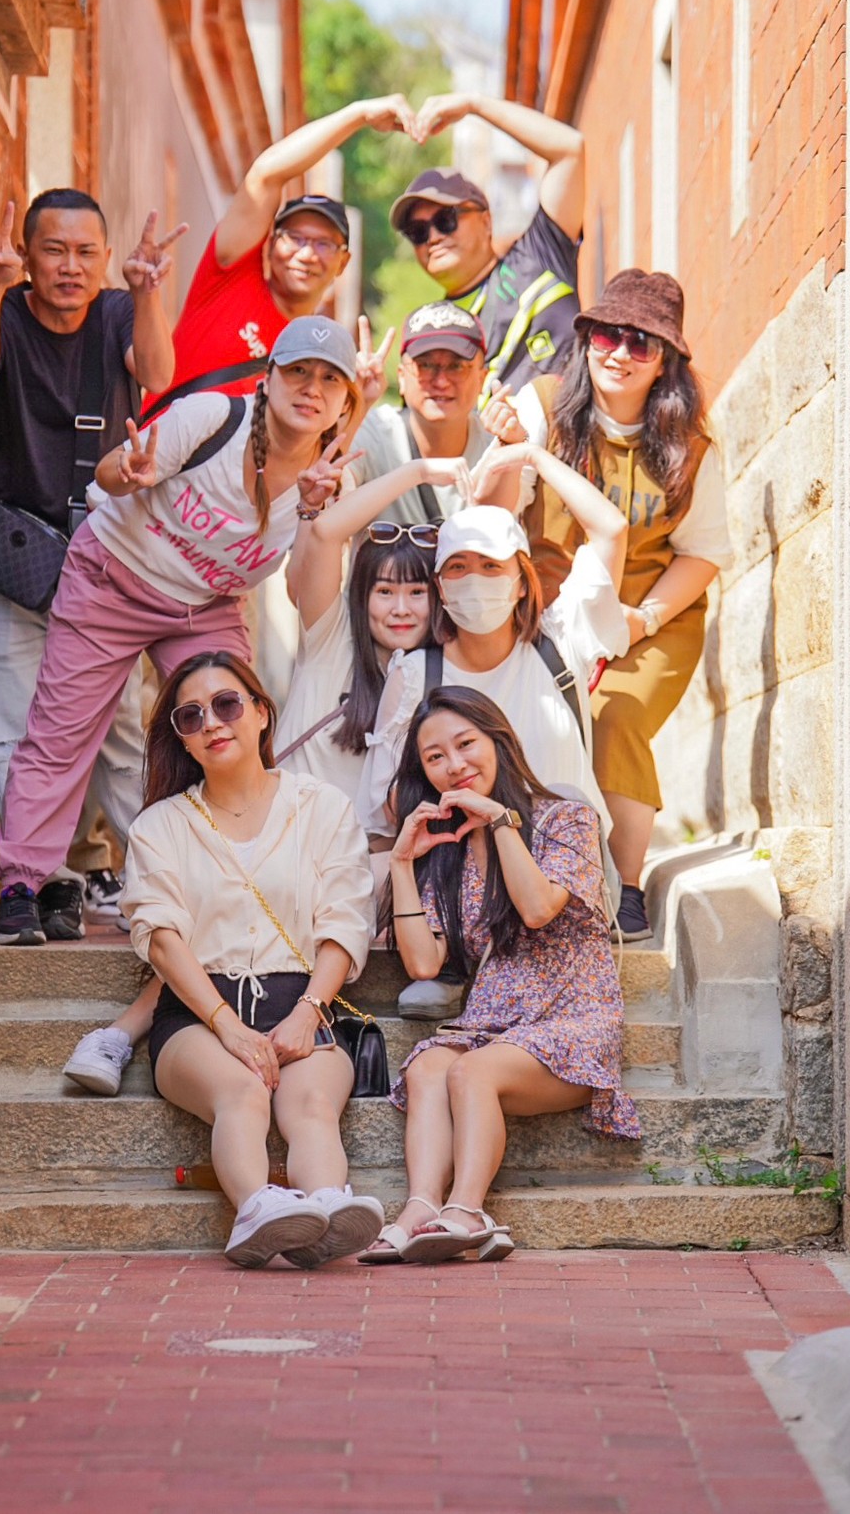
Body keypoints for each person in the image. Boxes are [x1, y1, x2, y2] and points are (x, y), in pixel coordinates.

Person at [0, 315, 371, 1070]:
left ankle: (225, 886)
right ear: (269, 378)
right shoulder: (214, 419)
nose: (311, 389)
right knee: (65, 730)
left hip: (204, 604)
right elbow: (111, 474)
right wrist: (127, 473)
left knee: (234, 734)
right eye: (299, 372)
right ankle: (23, 885)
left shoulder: (334, 481)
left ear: (345, 403)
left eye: (330, 381)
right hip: (113, 575)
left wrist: (314, 513)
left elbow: (304, 596)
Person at [0, 189, 183, 936]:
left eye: (87, 252)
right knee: (7, 726)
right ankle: (43, 882)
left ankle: (167, 883)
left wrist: (147, 293)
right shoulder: (5, 312)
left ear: (105, 258)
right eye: (54, 250)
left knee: (115, 734)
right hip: (10, 559)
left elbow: (157, 369)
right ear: (29, 256)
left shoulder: (117, 313)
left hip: (100, 563)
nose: (70, 267)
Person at [359, 688, 640, 1265]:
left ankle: (467, 1210)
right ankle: (419, 1209)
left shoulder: (565, 819)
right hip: (492, 1026)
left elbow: (537, 908)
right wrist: (403, 862)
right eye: (435, 757)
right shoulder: (448, 849)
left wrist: (501, 821)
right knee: (428, 1066)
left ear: (499, 741)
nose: (454, 764)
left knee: (470, 1071)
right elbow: (422, 963)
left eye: (466, 744)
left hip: (572, 1021)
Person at [121, 651, 384, 1268]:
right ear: (182, 739)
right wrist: (228, 1026)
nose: (212, 723)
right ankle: (257, 1214)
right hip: (198, 1015)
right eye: (191, 716)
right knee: (242, 1089)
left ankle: (327, 1210)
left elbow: (345, 922)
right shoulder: (159, 826)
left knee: (312, 1105)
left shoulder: (321, 807)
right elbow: (161, 937)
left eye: (227, 704)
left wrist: (307, 1013)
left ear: (262, 713)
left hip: (304, 1003)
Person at [505, 270, 733, 942]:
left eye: (642, 342)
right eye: (608, 334)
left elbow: (703, 553)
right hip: (548, 616)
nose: (620, 353)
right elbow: (497, 511)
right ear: (587, 338)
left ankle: (625, 888)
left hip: (652, 617)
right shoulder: (542, 406)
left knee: (615, 715)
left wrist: (645, 619)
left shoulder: (690, 448)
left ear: (666, 360)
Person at [357, 482, 628, 1019]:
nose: (475, 580)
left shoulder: (561, 643)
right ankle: (454, 958)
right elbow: (386, 797)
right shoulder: (417, 672)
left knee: (565, 797)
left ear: (522, 579)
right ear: (439, 585)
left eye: (491, 565)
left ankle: (524, 972)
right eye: (457, 567)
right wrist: (457, 796)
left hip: (557, 861)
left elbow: (612, 530)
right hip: (459, 862)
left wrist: (529, 457)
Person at [142, 94, 417, 418]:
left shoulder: (321, 353)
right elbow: (266, 175)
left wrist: (361, 403)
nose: (307, 253)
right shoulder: (229, 276)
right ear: (270, 245)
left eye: (324, 244)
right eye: (294, 238)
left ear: (343, 262)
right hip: (155, 448)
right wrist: (359, 115)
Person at [276, 452, 474, 803]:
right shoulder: (331, 639)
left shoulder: (445, 672)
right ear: (362, 596)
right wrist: (418, 470)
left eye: (417, 592)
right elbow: (325, 532)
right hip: (292, 829)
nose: (401, 609)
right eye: (384, 592)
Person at [390, 96, 585, 399]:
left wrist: (474, 105)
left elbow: (569, 150)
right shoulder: (434, 333)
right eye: (417, 232)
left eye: (446, 220)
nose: (433, 237)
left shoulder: (539, 255)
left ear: (486, 221)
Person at [347, 302, 524, 524]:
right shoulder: (371, 432)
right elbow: (331, 496)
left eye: (457, 366)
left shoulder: (497, 445)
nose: (441, 381)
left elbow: (499, 523)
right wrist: (353, 407)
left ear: (482, 379)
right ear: (401, 377)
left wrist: (511, 447)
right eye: (426, 365)